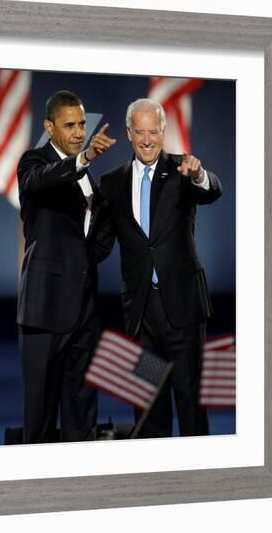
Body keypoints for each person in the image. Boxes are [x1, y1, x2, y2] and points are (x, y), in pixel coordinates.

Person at [95, 98, 222, 438]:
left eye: (154, 131)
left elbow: (212, 190)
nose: (147, 139)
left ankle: (198, 481)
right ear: (129, 133)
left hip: (182, 309)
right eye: (140, 132)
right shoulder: (112, 183)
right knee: (148, 407)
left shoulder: (183, 170)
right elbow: (99, 244)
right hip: (141, 315)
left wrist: (198, 176)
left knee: (190, 403)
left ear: (164, 132)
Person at [16, 90, 116, 444]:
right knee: (40, 415)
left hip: (85, 311)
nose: (78, 132)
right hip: (44, 309)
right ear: (49, 126)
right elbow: (39, 181)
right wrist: (84, 157)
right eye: (69, 125)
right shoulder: (33, 162)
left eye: (82, 124)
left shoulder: (87, 175)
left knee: (82, 410)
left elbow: (94, 238)